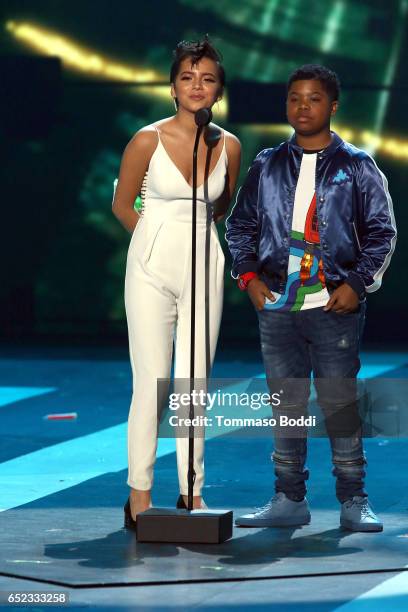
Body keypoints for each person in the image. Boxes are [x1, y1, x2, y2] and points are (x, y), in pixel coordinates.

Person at [226, 64, 396, 531]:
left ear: (333, 105)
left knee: (340, 402)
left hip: (333, 304)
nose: (303, 106)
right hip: (278, 305)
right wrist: (248, 278)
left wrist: (356, 284)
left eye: (314, 98)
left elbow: (382, 233)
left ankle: (353, 499)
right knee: (286, 402)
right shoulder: (266, 163)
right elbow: (240, 226)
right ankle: (288, 498)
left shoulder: (358, 166)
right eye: (295, 98)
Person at [112, 37, 241, 528]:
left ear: (218, 92)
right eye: (187, 77)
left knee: (194, 386)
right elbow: (123, 204)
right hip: (150, 267)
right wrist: (151, 242)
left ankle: (192, 494)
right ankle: (140, 495)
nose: (197, 86)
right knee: (150, 383)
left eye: (207, 79)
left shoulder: (228, 144)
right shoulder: (147, 139)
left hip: (204, 264)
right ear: (172, 86)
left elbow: (222, 205)